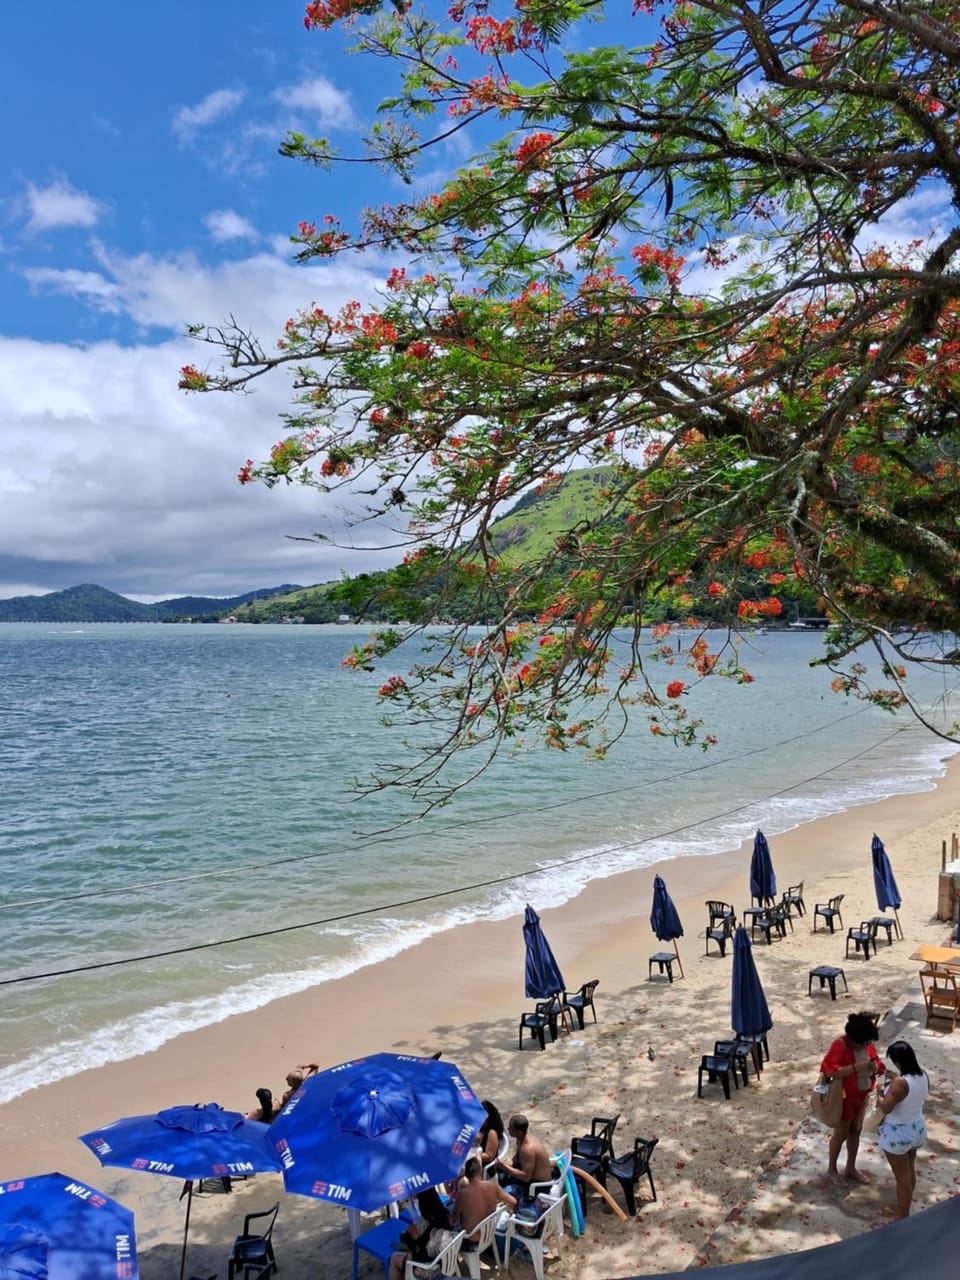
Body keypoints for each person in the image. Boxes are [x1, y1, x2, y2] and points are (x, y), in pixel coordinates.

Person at [820, 1010, 886, 1184]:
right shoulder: (840, 1045)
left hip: (861, 1096)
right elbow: (830, 1070)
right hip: (844, 1099)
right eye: (864, 1043)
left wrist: (876, 1067)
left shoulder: (867, 1044)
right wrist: (857, 1067)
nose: (867, 1045)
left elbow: (877, 1062)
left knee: (855, 1131)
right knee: (840, 1134)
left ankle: (850, 1167)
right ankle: (832, 1169)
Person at [875, 1039, 929, 1218]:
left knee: (901, 1177)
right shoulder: (923, 1075)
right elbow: (910, 1094)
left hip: (898, 1133)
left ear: (898, 1061)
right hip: (916, 1128)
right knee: (909, 1169)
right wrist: (895, 1078)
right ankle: (905, 1202)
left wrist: (880, 1092)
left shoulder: (900, 1083)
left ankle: (902, 1211)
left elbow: (886, 1107)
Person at [388, 1187, 458, 1280]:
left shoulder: (423, 1224)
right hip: (447, 1262)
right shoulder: (446, 1216)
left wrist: (409, 1232)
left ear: (422, 1205)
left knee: (394, 1258)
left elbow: (405, 1241)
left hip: (429, 1269)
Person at [453, 1157, 516, 1250]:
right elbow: (513, 1201)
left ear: (466, 1175)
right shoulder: (493, 1186)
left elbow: (453, 1220)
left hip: (471, 1243)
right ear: (480, 1171)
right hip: (489, 1235)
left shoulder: (462, 1194)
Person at [497, 1114, 553, 1197]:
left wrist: (505, 1167)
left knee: (502, 1190)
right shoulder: (520, 1139)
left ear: (519, 1132)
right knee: (499, 1173)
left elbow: (526, 1177)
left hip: (538, 1186)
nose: (508, 1129)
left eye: (511, 1128)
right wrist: (507, 1163)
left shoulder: (527, 1149)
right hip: (529, 1177)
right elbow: (517, 1158)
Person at [477, 1100, 506, 1170]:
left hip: (482, 1164)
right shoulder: (481, 1127)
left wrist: (470, 1156)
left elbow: (489, 1156)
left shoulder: (492, 1133)